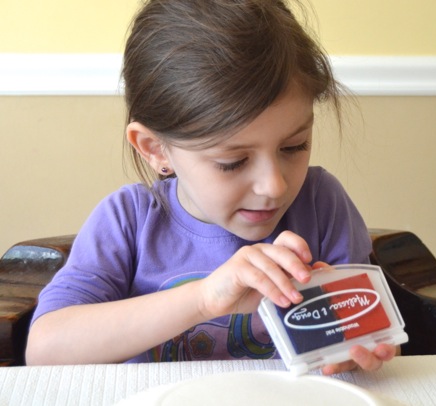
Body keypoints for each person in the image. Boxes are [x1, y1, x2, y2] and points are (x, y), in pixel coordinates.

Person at [26, 0, 396, 374]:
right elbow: (44, 350)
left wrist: (359, 350)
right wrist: (204, 299)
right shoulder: (128, 221)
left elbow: (370, 337)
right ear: (157, 150)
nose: (274, 185)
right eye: (231, 162)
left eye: (293, 146)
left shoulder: (321, 203)